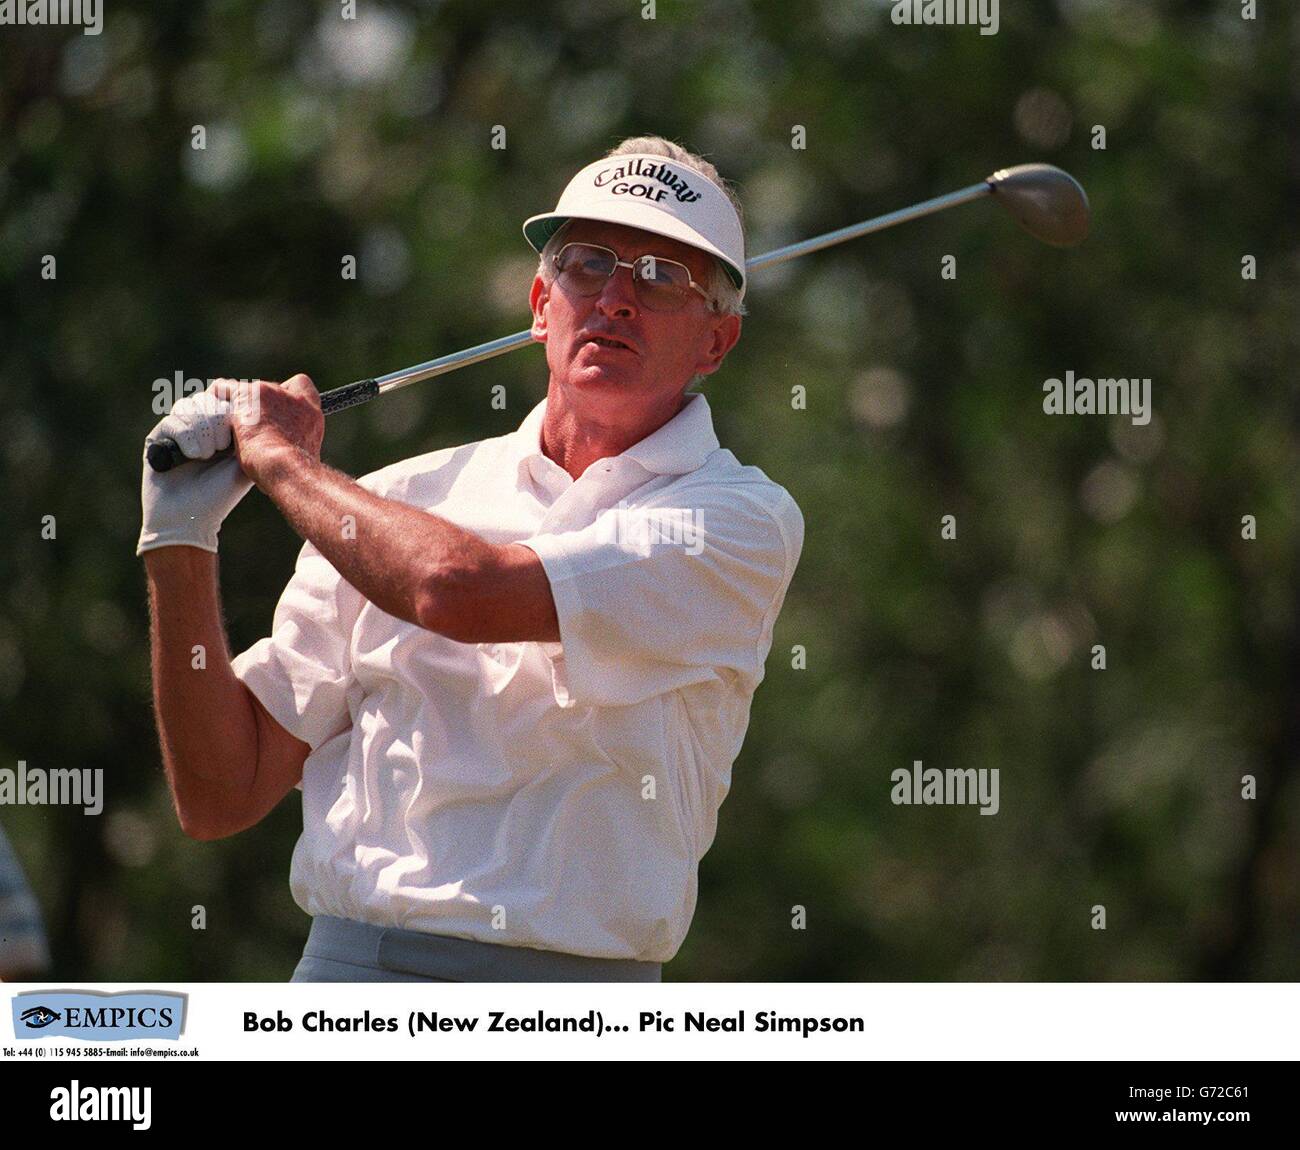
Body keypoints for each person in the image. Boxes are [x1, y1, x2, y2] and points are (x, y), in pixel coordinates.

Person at [138, 136, 803, 982]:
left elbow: (456, 590)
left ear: (717, 343)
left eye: (662, 275)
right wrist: (178, 543)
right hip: (349, 987)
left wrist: (287, 468)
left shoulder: (739, 520)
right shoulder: (389, 499)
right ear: (540, 303)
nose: (618, 297)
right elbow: (219, 794)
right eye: (589, 265)